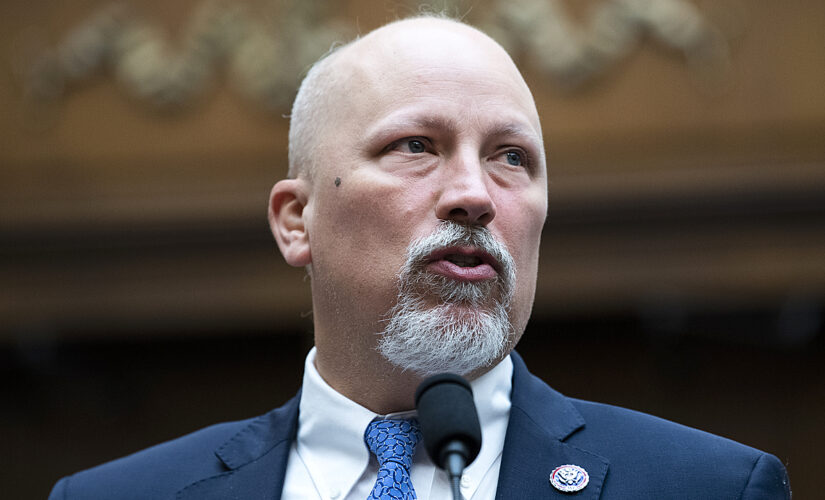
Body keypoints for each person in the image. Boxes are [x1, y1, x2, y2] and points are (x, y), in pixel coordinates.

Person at [49, 15, 790, 499]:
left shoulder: (709, 487)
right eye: (415, 146)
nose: (473, 194)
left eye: (510, 158)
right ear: (296, 219)